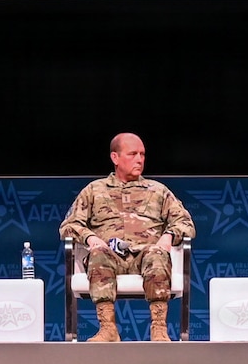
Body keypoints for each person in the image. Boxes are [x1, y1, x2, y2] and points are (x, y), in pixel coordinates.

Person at [59, 132, 195, 342]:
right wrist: (90, 238)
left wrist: (168, 235)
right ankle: (108, 328)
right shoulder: (95, 190)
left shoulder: (158, 191)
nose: (140, 159)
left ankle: (159, 329)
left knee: (157, 254)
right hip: (109, 255)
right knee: (98, 254)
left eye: (142, 154)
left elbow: (185, 223)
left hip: (147, 256)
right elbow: (69, 225)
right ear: (115, 158)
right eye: (133, 154)